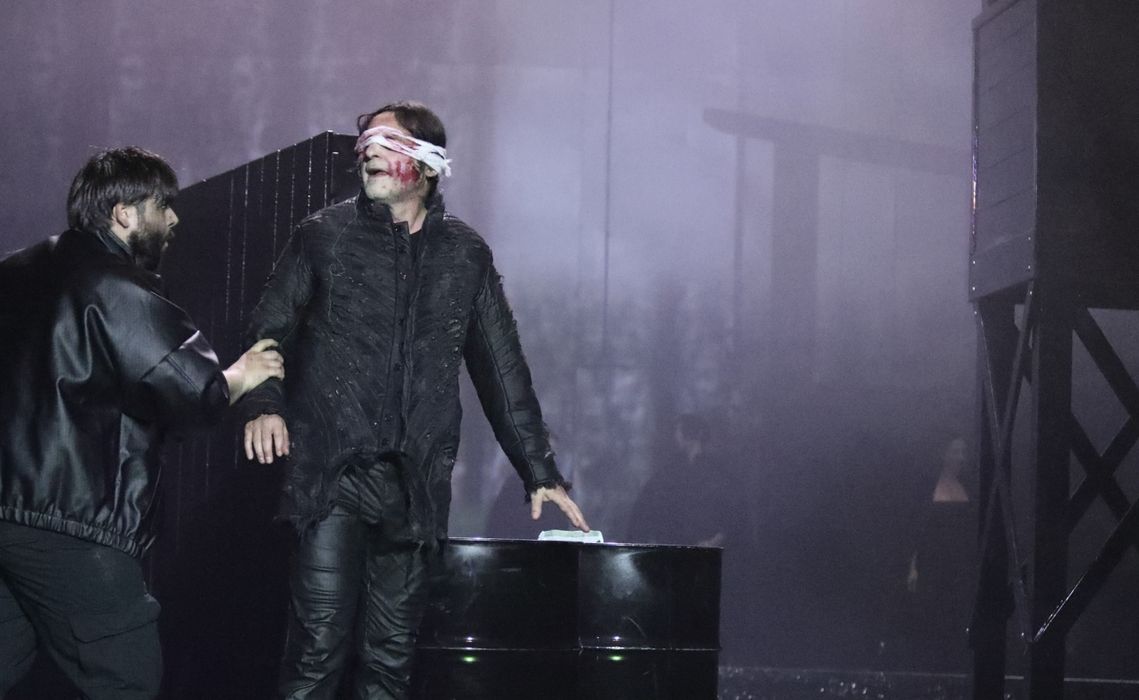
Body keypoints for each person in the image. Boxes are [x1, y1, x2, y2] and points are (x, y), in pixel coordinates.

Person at [240, 100, 589, 699]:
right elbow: (268, 332)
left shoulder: (465, 254)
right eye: (365, 142)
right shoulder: (323, 236)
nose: (368, 152)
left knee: (389, 660)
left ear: (426, 165)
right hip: (331, 479)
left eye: (387, 142)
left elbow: (501, 367)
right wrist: (263, 406)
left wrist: (539, 471)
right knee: (317, 650)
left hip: (415, 489)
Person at [0, 146, 285, 699]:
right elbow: (192, 390)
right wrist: (241, 374)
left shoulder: (11, 272)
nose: (174, 218)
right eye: (163, 205)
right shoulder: (118, 286)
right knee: (126, 677)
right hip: (68, 516)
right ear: (124, 213)